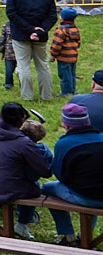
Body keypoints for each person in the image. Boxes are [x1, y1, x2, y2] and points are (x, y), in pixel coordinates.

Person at [0, 101, 52, 239]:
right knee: (34, 185)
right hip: (6, 187)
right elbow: (45, 171)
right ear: (21, 120)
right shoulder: (24, 143)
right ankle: (22, 225)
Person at [45, 103, 103, 244]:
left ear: (66, 125)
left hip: (85, 196)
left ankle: (68, 234)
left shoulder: (65, 143)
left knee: (48, 188)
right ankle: (85, 237)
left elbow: (60, 174)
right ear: (88, 121)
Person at [5, 0, 58, 101]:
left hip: (21, 35)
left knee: (23, 66)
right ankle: (46, 95)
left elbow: (12, 14)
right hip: (40, 36)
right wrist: (40, 30)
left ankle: (27, 96)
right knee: (43, 66)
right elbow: (52, 16)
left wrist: (30, 30)